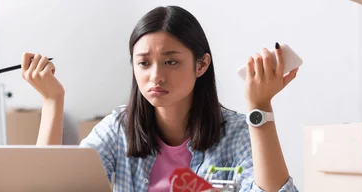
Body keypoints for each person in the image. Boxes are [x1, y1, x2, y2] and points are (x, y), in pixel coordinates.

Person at [21, 5, 299, 192]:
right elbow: (51, 186)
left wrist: (260, 108)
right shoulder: (118, 129)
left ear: (201, 65)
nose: (156, 76)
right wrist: (52, 101)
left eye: (171, 62)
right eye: (144, 63)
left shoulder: (237, 133)